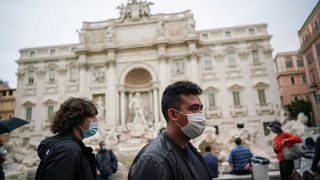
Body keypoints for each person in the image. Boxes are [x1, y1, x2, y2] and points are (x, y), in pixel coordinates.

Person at [128, 81, 213, 180]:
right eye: (194, 109)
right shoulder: (153, 161)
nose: (200, 115)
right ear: (173, 115)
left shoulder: (189, 149)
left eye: (200, 109)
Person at [35, 97, 99, 180]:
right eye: (91, 116)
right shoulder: (67, 150)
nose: (96, 120)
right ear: (77, 119)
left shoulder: (69, 147)